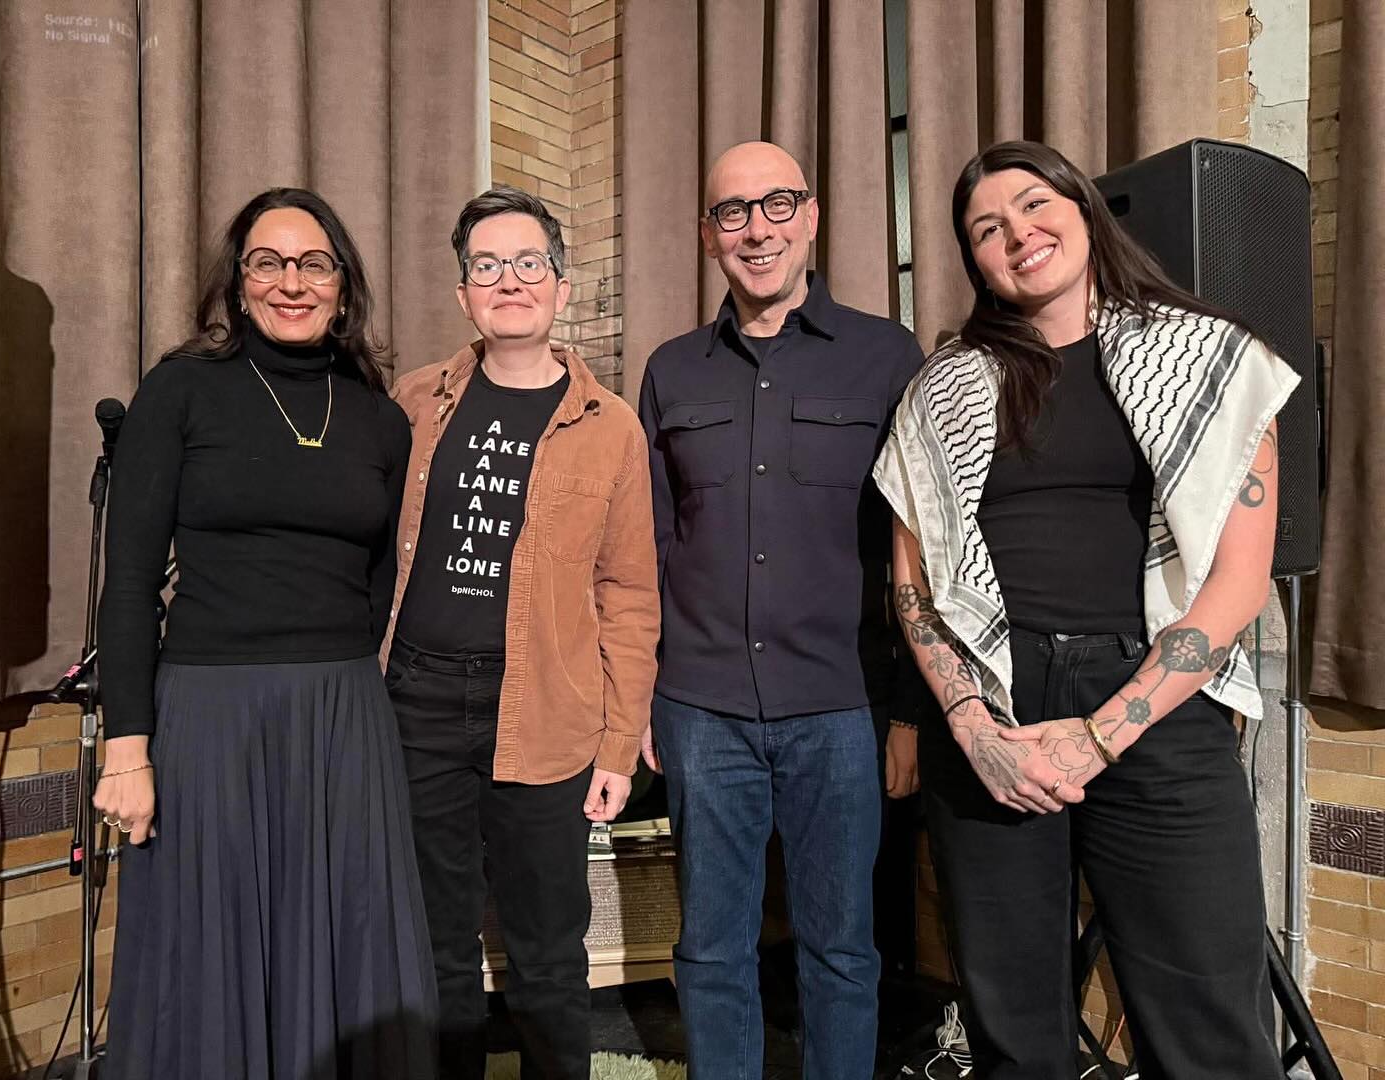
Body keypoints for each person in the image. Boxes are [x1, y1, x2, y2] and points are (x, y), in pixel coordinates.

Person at [873, 140, 1294, 1079]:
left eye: (1033, 204)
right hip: (990, 705)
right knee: (1013, 1026)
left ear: (1082, 207)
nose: (1017, 233)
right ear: (972, 259)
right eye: (987, 228)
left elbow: (1237, 579)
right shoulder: (940, 388)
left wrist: (1103, 733)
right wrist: (973, 727)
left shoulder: (1208, 357)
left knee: (1209, 1026)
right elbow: (912, 582)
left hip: (1156, 703)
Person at [94, 188, 436, 1078]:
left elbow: (378, 578)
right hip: (210, 714)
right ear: (238, 283)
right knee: (210, 953)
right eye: (268, 262)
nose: (293, 282)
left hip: (342, 713)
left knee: (343, 939)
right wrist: (127, 750)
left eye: (313, 263)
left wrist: (340, 672)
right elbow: (128, 583)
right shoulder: (179, 392)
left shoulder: (378, 417)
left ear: (343, 285)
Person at [638, 140, 929, 1080]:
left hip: (843, 706)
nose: (755, 228)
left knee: (842, 950)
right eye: (733, 211)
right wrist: (642, 697)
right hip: (700, 705)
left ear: (809, 217)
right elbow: (649, 545)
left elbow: (922, 549)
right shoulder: (670, 369)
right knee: (711, 950)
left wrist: (910, 713)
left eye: (776, 205)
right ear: (709, 235)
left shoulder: (889, 356)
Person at [381, 186, 659, 1080]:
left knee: (547, 953)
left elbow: (630, 596)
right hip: (415, 703)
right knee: (433, 948)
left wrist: (619, 745)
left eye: (528, 263)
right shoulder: (413, 401)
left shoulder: (611, 428)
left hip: (546, 713)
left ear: (561, 287)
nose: (509, 281)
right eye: (486, 267)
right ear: (463, 293)